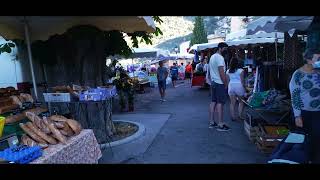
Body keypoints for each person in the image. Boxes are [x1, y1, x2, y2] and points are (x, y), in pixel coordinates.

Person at [289, 48, 320, 163]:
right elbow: (295, 96)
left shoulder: (318, 72)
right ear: (308, 59)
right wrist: (297, 116)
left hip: (317, 112)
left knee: (316, 139)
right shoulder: (297, 75)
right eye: (318, 58)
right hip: (303, 113)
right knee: (300, 140)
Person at [208, 42, 230, 131]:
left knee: (213, 102)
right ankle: (220, 124)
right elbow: (221, 72)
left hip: (213, 82)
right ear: (220, 48)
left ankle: (212, 122)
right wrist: (225, 83)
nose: (226, 51)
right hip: (219, 83)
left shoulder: (212, 57)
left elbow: (210, 71)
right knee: (220, 103)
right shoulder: (220, 58)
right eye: (225, 49)